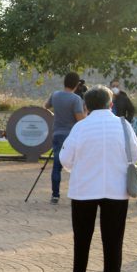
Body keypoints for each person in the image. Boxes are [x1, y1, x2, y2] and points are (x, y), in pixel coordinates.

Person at [58, 85, 137, 272]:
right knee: (114, 236)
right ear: (110, 104)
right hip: (116, 188)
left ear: (86, 106)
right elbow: (135, 155)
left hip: (84, 188)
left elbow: (65, 158)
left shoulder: (81, 127)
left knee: (82, 236)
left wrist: (76, 169)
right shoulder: (123, 125)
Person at [45, 72, 87, 204]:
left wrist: (55, 116)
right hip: (71, 136)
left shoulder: (55, 95)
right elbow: (80, 120)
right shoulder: (75, 99)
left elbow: (45, 106)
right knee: (77, 165)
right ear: (76, 84)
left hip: (57, 133)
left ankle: (55, 195)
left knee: (56, 166)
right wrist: (86, 113)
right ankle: (77, 192)